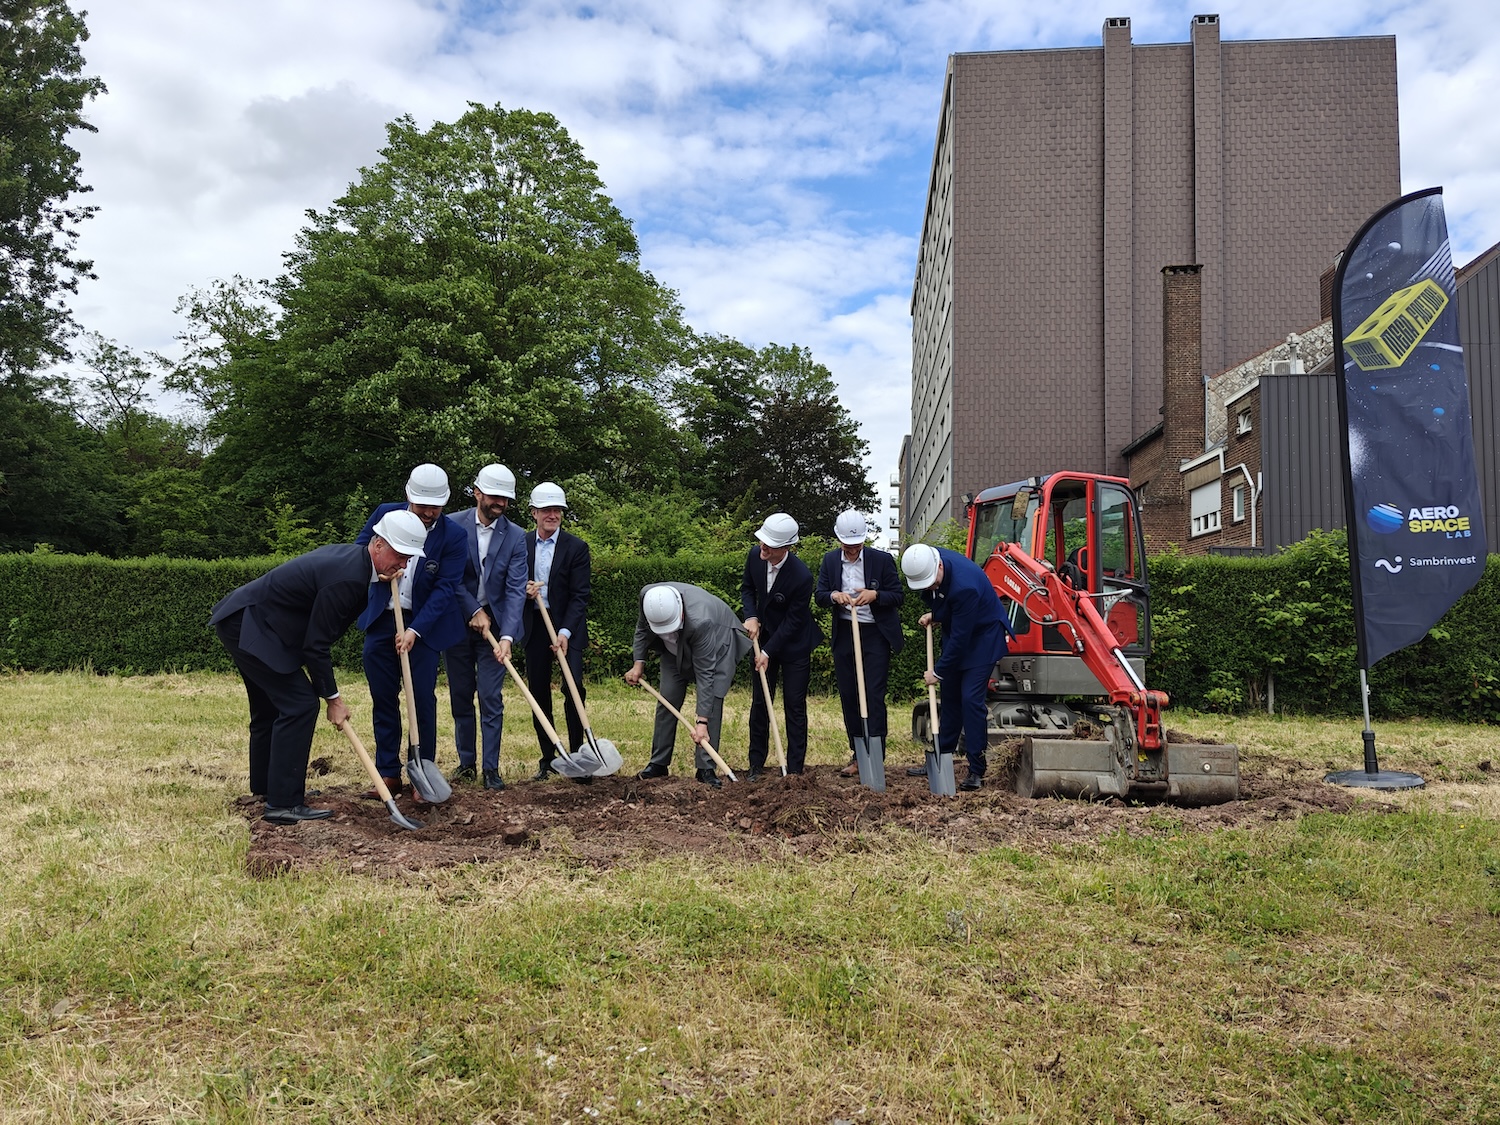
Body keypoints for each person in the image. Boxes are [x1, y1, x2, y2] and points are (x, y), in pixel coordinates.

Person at [211, 510, 428, 823]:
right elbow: (316, 645)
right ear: (378, 544)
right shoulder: (348, 578)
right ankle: (283, 804)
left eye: (408, 559)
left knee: (270, 709)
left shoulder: (355, 561)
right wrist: (333, 700)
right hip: (252, 625)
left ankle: (268, 789)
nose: (403, 565)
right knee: (299, 705)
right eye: (400, 555)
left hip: (247, 619)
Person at [354, 464, 467, 800]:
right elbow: (361, 552)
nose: (430, 513)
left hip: (424, 627)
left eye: (436, 506)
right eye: (423, 506)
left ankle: (422, 772)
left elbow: (446, 588)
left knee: (422, 700)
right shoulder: (385, 514)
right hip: (382, 620)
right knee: (383, 698)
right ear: (408, 497)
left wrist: (415, 630)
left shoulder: (453, 536)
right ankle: (388, 774)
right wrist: (377, 575)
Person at [901, 543, 1017, 791]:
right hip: (960, 633)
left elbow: (961, 639)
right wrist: (937, 614)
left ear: (939, 566)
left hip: (983, 639)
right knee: (950, 698)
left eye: (931, 582)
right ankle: (942, 755)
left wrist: (938, 672)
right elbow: (943, 602)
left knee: (970, 700)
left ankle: (977, 768)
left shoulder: (966, 587)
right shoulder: (929, 559)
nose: (930, 587)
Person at [445, 463, 529, 790]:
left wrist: (506, 636)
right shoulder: (451, 526)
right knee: (461, 696)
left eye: (506, 499)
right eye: (495, 496)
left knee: (491, 697)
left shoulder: (517, 536)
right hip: (456, 625)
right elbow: (447, 578)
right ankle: (466, 763)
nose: (501, 504)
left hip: (494, 629)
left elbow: (515, 588)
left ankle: (490, 769)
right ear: (477, 493)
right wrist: (473, 610)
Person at [624, 582, 751, 788]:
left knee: (713, 702)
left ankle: (705, 768)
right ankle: (658, 764)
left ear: (679, 613)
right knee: (668, 699)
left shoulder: (702, 620)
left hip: (717, 646)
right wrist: (639, 663)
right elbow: (641, 628)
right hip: (673, 651)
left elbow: (705, 675)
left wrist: (701, 723)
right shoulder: (647, 596)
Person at [816, 510, 906, 777]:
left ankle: (875, 754)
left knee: (873, 694)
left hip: (875, 633)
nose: (852, 549)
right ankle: (857, 754)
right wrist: (835, 596)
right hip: (845, 632)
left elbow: (898, 596)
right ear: (839, 541)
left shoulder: (882, 560)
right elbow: (820, 595)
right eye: (848, 545)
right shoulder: (831, 561)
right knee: (849, 694)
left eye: (857, 544)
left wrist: (875, 595)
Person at [740, 513, 820, 778]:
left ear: (786, 547)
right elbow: (747, 588)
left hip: (794, 643)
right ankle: (755, 765)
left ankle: (795, 769)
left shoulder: (801, 576)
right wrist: (751, 616)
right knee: (761, 702)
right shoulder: (755, 556)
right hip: (763, 637)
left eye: (770, 545)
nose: (763, 548)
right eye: (762, 541)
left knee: (794, 704)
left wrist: (767, 652)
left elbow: (794, 621)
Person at [522, 481, 592, 779]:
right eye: (547, 510)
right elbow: (510, 582)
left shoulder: (576, 548)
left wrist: (564, 632)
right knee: (538, 691)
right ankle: (548, 757)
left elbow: (580, 596)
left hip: (567, 625)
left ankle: (577, 756)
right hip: (535, 624)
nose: (553, 515)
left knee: (573, 688)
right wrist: (522, 590)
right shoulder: (521, 544)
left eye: (558, 510)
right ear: (534, 513)